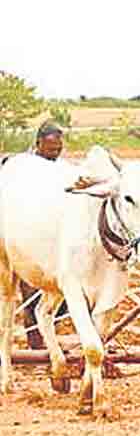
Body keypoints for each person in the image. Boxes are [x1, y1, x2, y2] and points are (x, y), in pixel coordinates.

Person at [18, 122, 66, 350]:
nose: (55, 152)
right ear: (38, 144)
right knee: (31, 294)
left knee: (59, 295)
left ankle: (49, 340)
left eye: (58, 148)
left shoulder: (61, 169)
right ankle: (35, 346)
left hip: (55, 239)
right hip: (25, 239)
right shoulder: (22, 168)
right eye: (51, 148)